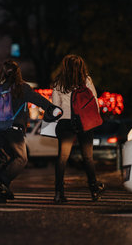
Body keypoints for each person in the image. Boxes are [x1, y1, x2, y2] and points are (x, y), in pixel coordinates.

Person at [0, 60, 61, 203]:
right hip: (14, 129)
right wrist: (53, 109)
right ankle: (2, 183)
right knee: (21, 159)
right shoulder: (22, 88)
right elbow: (40, 100)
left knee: (5, 160)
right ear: (17, 73)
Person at [51, 54, 105, 204]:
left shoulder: (59, 82)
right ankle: (94, 190)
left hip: (65, 122)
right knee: (88, 157)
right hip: (84, 122)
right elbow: (94, 101)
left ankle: (58, 193)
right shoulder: (86, 80)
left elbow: (55, 106)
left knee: (62, 158)